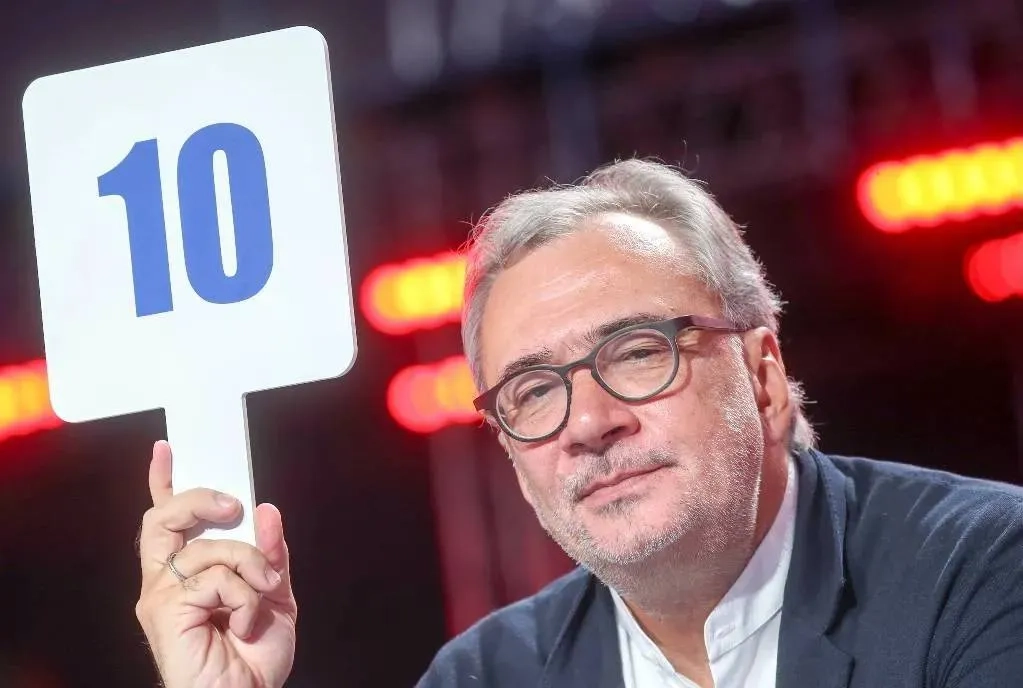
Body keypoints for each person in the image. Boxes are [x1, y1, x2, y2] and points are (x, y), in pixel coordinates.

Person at [135, 158, 1023, 688]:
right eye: (530, 391)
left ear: (762, 378)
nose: (586, 423)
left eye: (635, 352)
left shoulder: (981, 571)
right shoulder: (486, 678)